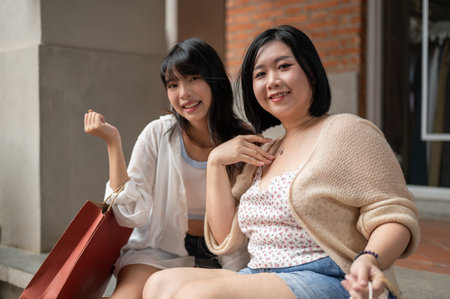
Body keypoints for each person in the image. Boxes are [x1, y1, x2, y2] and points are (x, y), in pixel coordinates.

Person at [142, 25, 420, 299]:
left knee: (198, 296)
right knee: (159, 284)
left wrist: (370, 258)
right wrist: (215, 162)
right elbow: (225, 237)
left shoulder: (348, 130)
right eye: (260, 74)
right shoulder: (267, 151)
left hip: (331, 276)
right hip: (262, 273)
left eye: (284, 66)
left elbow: (394, 213)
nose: (272, 80)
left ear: (310, 71)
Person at [84, 38, 252, 299]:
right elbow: (129, 213)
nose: (183, 93)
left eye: (194, 78)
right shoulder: (158, 134)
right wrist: (113, 142)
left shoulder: (242, 138)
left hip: (226, 253)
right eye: (173, 84)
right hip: (160, 249)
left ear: (214, 81)